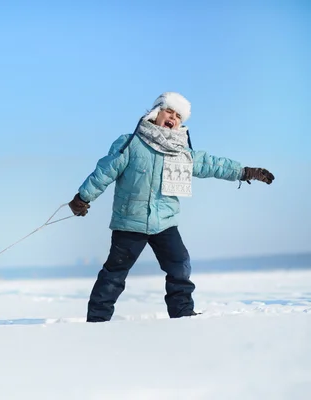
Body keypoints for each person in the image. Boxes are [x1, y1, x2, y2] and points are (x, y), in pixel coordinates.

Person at [68, 92, 274, 322]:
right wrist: (83, 197)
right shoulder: (131, 142)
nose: (173, 118)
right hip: (130, 221)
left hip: (165, 222)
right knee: (114, 274)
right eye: (169, 111)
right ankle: (97, 320)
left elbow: (211, 164)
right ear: (156, 112)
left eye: (178, 116)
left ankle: (183, 314)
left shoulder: (180, 151)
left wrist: (246, 172)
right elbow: (105, 171)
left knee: (180, 267)